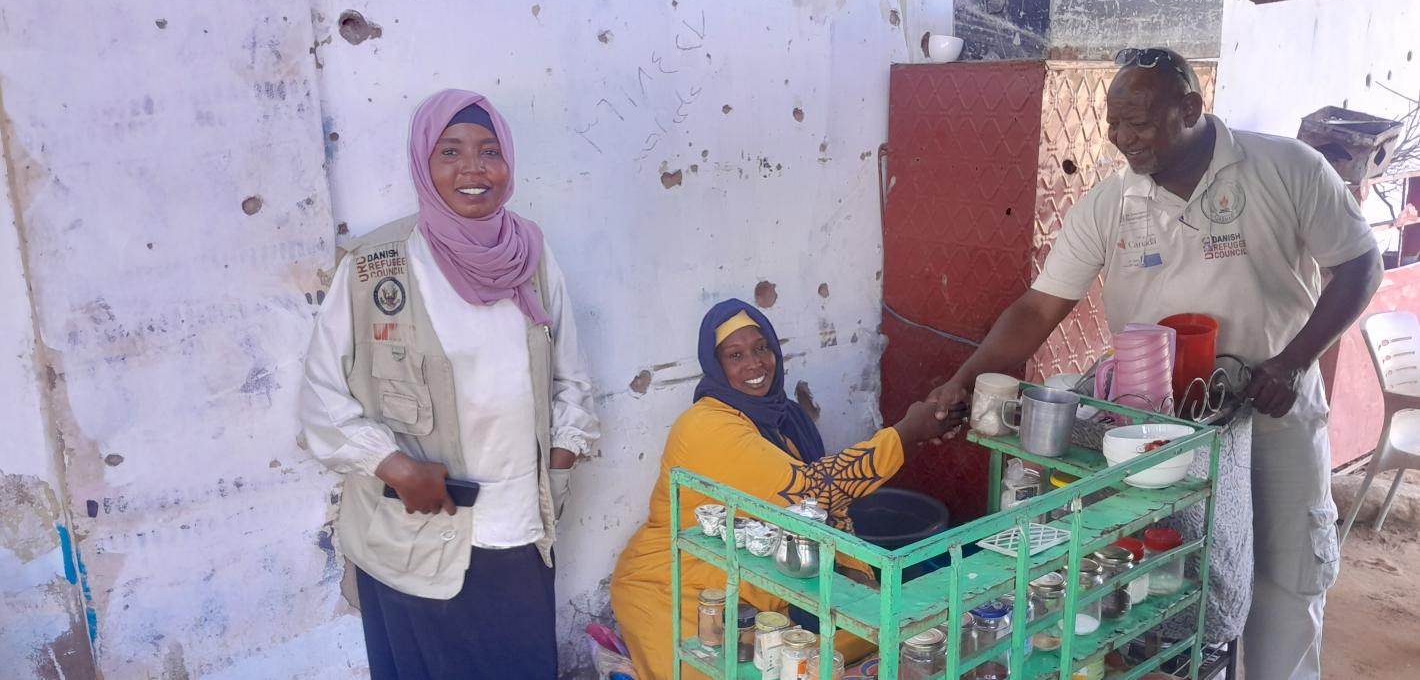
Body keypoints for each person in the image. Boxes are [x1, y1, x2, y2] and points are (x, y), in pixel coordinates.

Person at [925, 48, 1381, 680]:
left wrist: (1295, 360)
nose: (1122, 138)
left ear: (1190, 109)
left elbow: (1360, 266)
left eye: (1138, 122)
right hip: (1163, 435)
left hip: (1274, 406)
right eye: (1114, 124)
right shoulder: (1111, 201)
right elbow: (1038, 307)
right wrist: (964, 378)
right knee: (1185, 583)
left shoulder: (1284, 167)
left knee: (1287, 579)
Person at [298, 89, 600, 680]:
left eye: (490, 151)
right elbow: (321, 399)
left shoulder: (532, 257)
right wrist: (396, 468)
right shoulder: (373, 267)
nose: (473, 168)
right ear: (422, 163)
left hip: (518, 529)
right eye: (451, 151)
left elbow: (572, 375)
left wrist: (558, 465)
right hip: (415, 529)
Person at [611, 299, 962, 680]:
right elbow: (812, 489)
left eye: (761, 348)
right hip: (674, 586)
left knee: (849, 645)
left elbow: (826, 510)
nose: (755, 363)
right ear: (715, 366)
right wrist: (907, 433)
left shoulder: (786, 419)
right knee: (724, 668)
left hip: (752, 581)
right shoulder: (704, 426)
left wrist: (856, 572)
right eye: (735, 355)